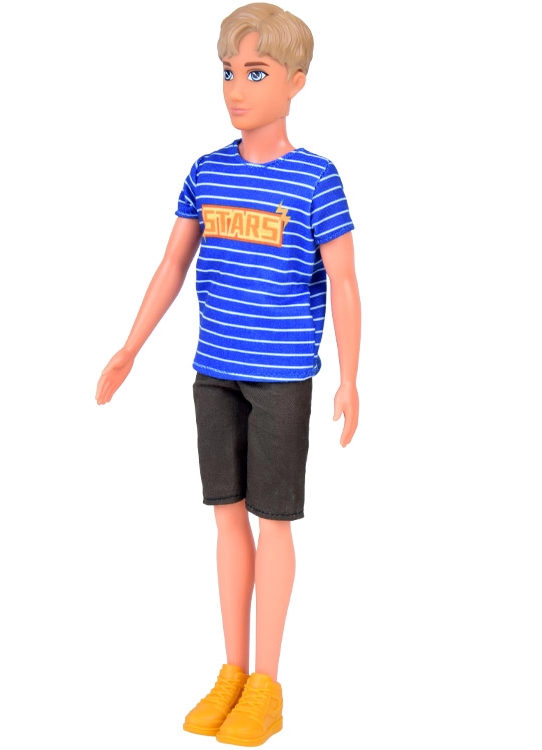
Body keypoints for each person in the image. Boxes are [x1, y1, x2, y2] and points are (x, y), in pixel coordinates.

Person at [95, 3, 360, 745]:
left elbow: (344, 280)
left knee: (273, 522)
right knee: (225, 516)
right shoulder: (206, 170)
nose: (236, 88)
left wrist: (350, 376)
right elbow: (172, 263)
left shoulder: (316, 179)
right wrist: (130, 345)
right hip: (214, 371)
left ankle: (267, 686)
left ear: (297, 81)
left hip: (280, 377)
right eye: (227, 72)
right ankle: (232, 671)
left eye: (256, 73)